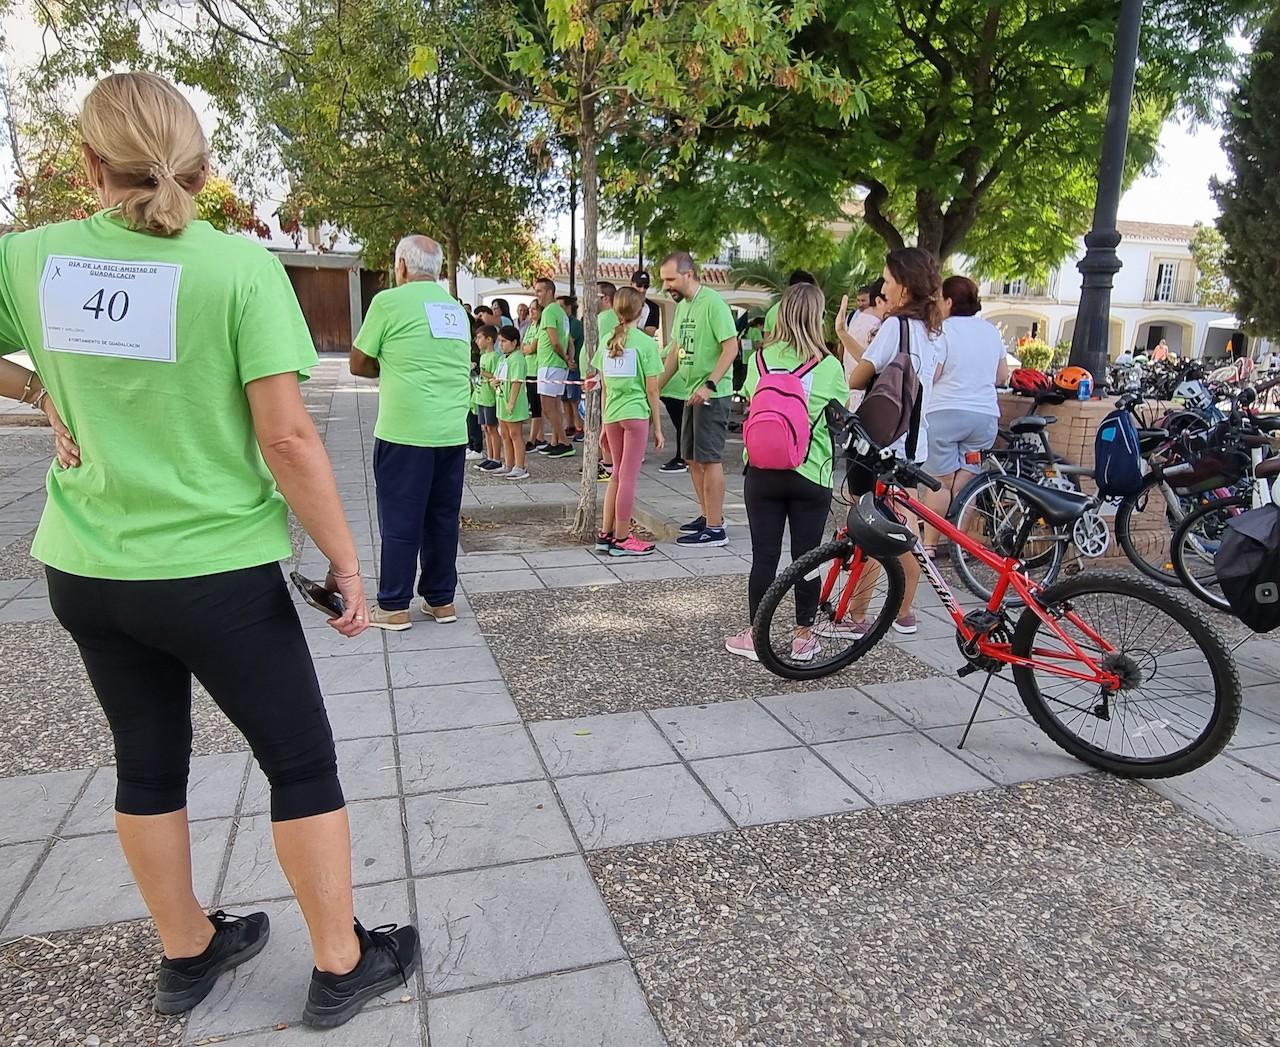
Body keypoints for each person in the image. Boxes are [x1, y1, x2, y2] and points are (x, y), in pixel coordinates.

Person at [0, 72, 415, 1027]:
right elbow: (288, 440)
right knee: (301, 762)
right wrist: (347, 561)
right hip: (213, 573)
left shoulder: (34, 258)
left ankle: (188, 950)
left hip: (88, 565)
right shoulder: (236, 268)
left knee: (147, 761)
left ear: (90, 163)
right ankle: (340, 962)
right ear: (201, 165)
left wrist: (40, 398)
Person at [350, 234, 471, 631]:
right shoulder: (456, 309)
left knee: (401, 518)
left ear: (401, 266)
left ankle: (394, 603)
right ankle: (441, 600)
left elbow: (359, 362)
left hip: (405, 431)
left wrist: (388, 370)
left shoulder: (387, 302)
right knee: (442, 518)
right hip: (452, 431)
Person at [725, 283, 849, 662]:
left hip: (761, 470)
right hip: (810, 472)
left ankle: (755, 635)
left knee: (764, 555)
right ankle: (803, 636)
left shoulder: (761, 360)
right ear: (817, 317)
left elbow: (750, 400)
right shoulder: (828, 365)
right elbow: (839, 413)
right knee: (806, 556)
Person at [844, 247, 948, 636]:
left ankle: (857, 614)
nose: (882, 286)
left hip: (880, 444)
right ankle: (905, 611)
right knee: (906, 526)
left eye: (887, 279)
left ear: (904, 286)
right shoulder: (935, 331)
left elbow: (858, 377)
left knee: (871, 527)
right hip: (913, 445)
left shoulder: (894, 328)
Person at [918, 276, 1008, 556]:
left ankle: (931, 545)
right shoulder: (991, 332)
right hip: (983, 419)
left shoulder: (943, 331)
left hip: (945, 415)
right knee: (967, 481)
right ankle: (960, 546)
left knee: (941, 482)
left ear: (949, 301)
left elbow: (935, 373)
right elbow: (1002, 376)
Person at [658, 251, 740, 547]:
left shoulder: (713, 303)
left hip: (712, 394)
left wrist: (709, 384)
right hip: (689, 393)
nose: (666, 285)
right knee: (691, 457)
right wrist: (653, 389)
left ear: (688, 274)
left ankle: (717, 528)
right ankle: (707, 515)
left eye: (670, 279)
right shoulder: (682, 308)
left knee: (709, 458)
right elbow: (675, 354)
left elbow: (731, 348)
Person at [593, 287, 665, 555]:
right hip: (635, 415)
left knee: (616, 476)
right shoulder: (645, 343)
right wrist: (658, 428)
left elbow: (605, 387)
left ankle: (606, 532)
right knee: (628, 478)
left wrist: (603, 423)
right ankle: (622, 537)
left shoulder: (607, 342)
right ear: (641, 311)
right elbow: (652, 389)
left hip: (612, 415)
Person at [533, 277, 575, 457]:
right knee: (556, 405)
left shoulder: (550, 311)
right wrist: (569, 358)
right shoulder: (561, 313)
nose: (537, 295)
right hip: (556, 364)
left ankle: (565, 442)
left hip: (550, 363)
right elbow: (570, 341)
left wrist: (565, 358)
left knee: (548, 406)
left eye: (539, 291)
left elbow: (555, 341)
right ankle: (555, 440)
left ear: (549, 292)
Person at [835, 278, 891, 406]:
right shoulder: (876, 327)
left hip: (852, 398)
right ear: (879, 301)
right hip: (865, 399)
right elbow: (870, 363)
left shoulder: (859, 320)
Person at [495, 325, 530, 479]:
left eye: (504, 341)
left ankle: (520, 465)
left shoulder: (518, 358)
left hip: (512, 401)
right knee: (504, 434)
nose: (501, 344)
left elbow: (516, 382)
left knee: (515, 434)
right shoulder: (503, 358)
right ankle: (508, 463)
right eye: (500, 341)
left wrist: (511, 402)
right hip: (501, 400)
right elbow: (498, 376)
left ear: (514, 342)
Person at [473, 324, 504, 471]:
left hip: (491, 398)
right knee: (485, 428)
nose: (477, 341)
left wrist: (481, 372)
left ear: (489, 339)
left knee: (492, 428)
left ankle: (496, 458)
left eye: (480, 338)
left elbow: (496, 377)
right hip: (481, 396)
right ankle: (490, 456)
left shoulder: (495, 357)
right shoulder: (483, 356)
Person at [558, 294, 585, 442]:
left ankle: (579, 426)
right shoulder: (562, 322)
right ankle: (570, 425)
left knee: (574, 398)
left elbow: (570, 342)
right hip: (564, 365)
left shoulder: (574, 323)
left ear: (568, 307)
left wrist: (568, 358)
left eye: (561, 306)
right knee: (565, 398)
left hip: (573, 365)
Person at [522, 299, 545, 450]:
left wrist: (528, 348)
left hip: (537, 370)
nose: (531, 312)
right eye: (530, 309)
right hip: (528, 371)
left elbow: (531, 348)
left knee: (537, 407)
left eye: (534, 309)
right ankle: (540, 437)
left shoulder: (541, 326)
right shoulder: (530, 326)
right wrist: (528, 348)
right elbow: (523, 346)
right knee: (534, 405)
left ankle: (532, 439)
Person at [632, 270, 661, 336]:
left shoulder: (653, 308)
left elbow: (650, 334)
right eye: (639, 285)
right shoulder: (622, 302)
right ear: (631, 284)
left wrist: (629, 326)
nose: (642, 290)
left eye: (646, 286)